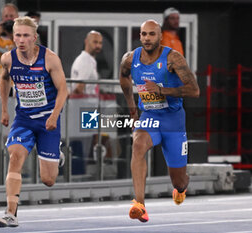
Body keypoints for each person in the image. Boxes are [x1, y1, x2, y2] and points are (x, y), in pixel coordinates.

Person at [119, 19, 199, 223]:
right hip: (149, 117)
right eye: (144, 34)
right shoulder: (130, 59)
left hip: (173, 122)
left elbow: (194, 90)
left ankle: (181, 189)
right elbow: (124, 77)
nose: (147, 38)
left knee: (178, 181)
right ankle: (139, 204)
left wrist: (162, 90)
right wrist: (131, 103)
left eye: (151, 34)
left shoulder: (173, 59)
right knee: (138, 145)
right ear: (139, 36)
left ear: (160, 36)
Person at [0, 16, 68, 228]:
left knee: (48, 180)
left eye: (26, 35)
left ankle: (56, 152)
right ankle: (11, 213)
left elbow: (63, 90)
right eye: (17, 35)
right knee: (15, 156)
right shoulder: (8, 59)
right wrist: (5, 109)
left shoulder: (50, 59)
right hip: (23, 119)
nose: (21, 40)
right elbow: (5, 78)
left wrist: (54, 115)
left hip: (47, 122)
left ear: (34, 37)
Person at [70, 31, 103, 95]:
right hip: (84, 102)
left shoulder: (87, 59)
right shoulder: (86, 61)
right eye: (95, 42)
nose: (98, 46)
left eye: (100, 43)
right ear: (86, 41)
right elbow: (78, 89)